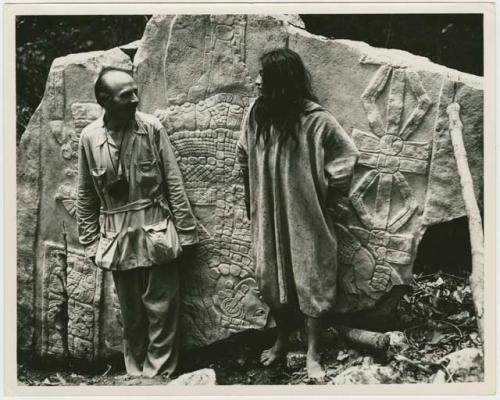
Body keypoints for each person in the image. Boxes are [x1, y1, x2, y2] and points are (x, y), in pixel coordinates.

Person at [237, 48, 359, 379]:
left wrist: (331, 196)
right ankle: (282, 338)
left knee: (311, 277)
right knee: (270, 278)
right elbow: (242, 153)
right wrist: (253, 199)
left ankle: (314, 352)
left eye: (263, 75)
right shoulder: (257, 115)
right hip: (267, 215)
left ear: (280, 81)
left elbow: (346, 155)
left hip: (307, 215)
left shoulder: (316, 120)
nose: (257, 80)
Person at [76, 67, 198, 378]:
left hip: (155, 229)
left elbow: (173, 182)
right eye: (126, 95)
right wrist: (90, 241)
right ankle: (135, 375)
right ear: (106, 101)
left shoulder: (151, 128)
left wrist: (185, 232)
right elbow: (86, 195)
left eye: (135, 92)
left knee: (162, 309)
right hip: (116, 238)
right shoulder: (89, 138)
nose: (135, 99)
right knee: (131, 315)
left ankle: (158, 376)